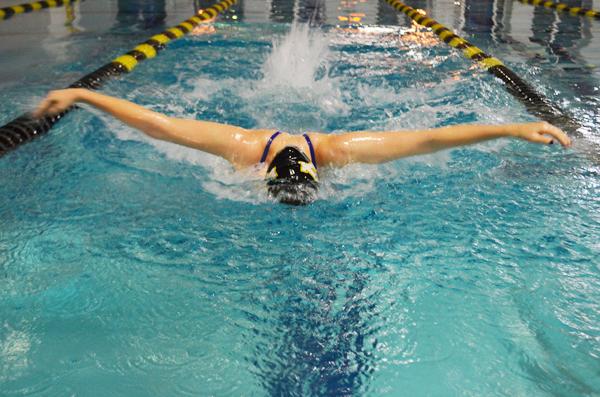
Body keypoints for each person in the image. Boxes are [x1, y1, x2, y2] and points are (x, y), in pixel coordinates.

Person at [34, 88, 571, 205]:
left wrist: (512, 129)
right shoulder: (244, 146)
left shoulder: (336, 148)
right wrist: (80, 94)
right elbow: (156, 123)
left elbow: (429, 137)